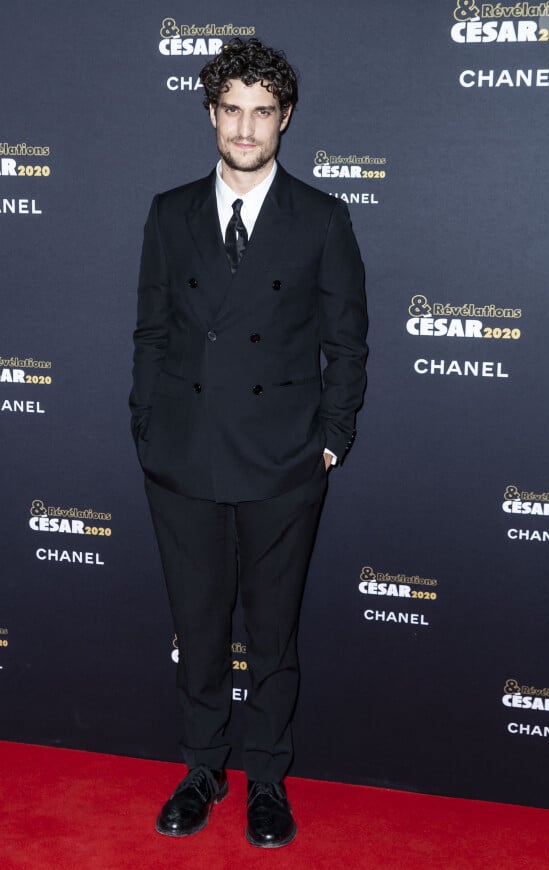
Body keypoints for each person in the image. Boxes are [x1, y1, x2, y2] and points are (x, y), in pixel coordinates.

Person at [130, 37, 368, 849]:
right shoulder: (170, 212)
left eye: (262, 112)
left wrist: (331, 439)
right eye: (231, 109)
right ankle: (202, 770)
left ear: (285, 120)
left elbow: (348, 340)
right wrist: (148, 428)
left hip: (281, 461)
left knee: (272, 633)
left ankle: (266, 779)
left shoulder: (323, 217)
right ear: (211, 114)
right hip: (186, 456)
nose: (245, 127)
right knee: (197, 628)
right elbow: (151, 331)